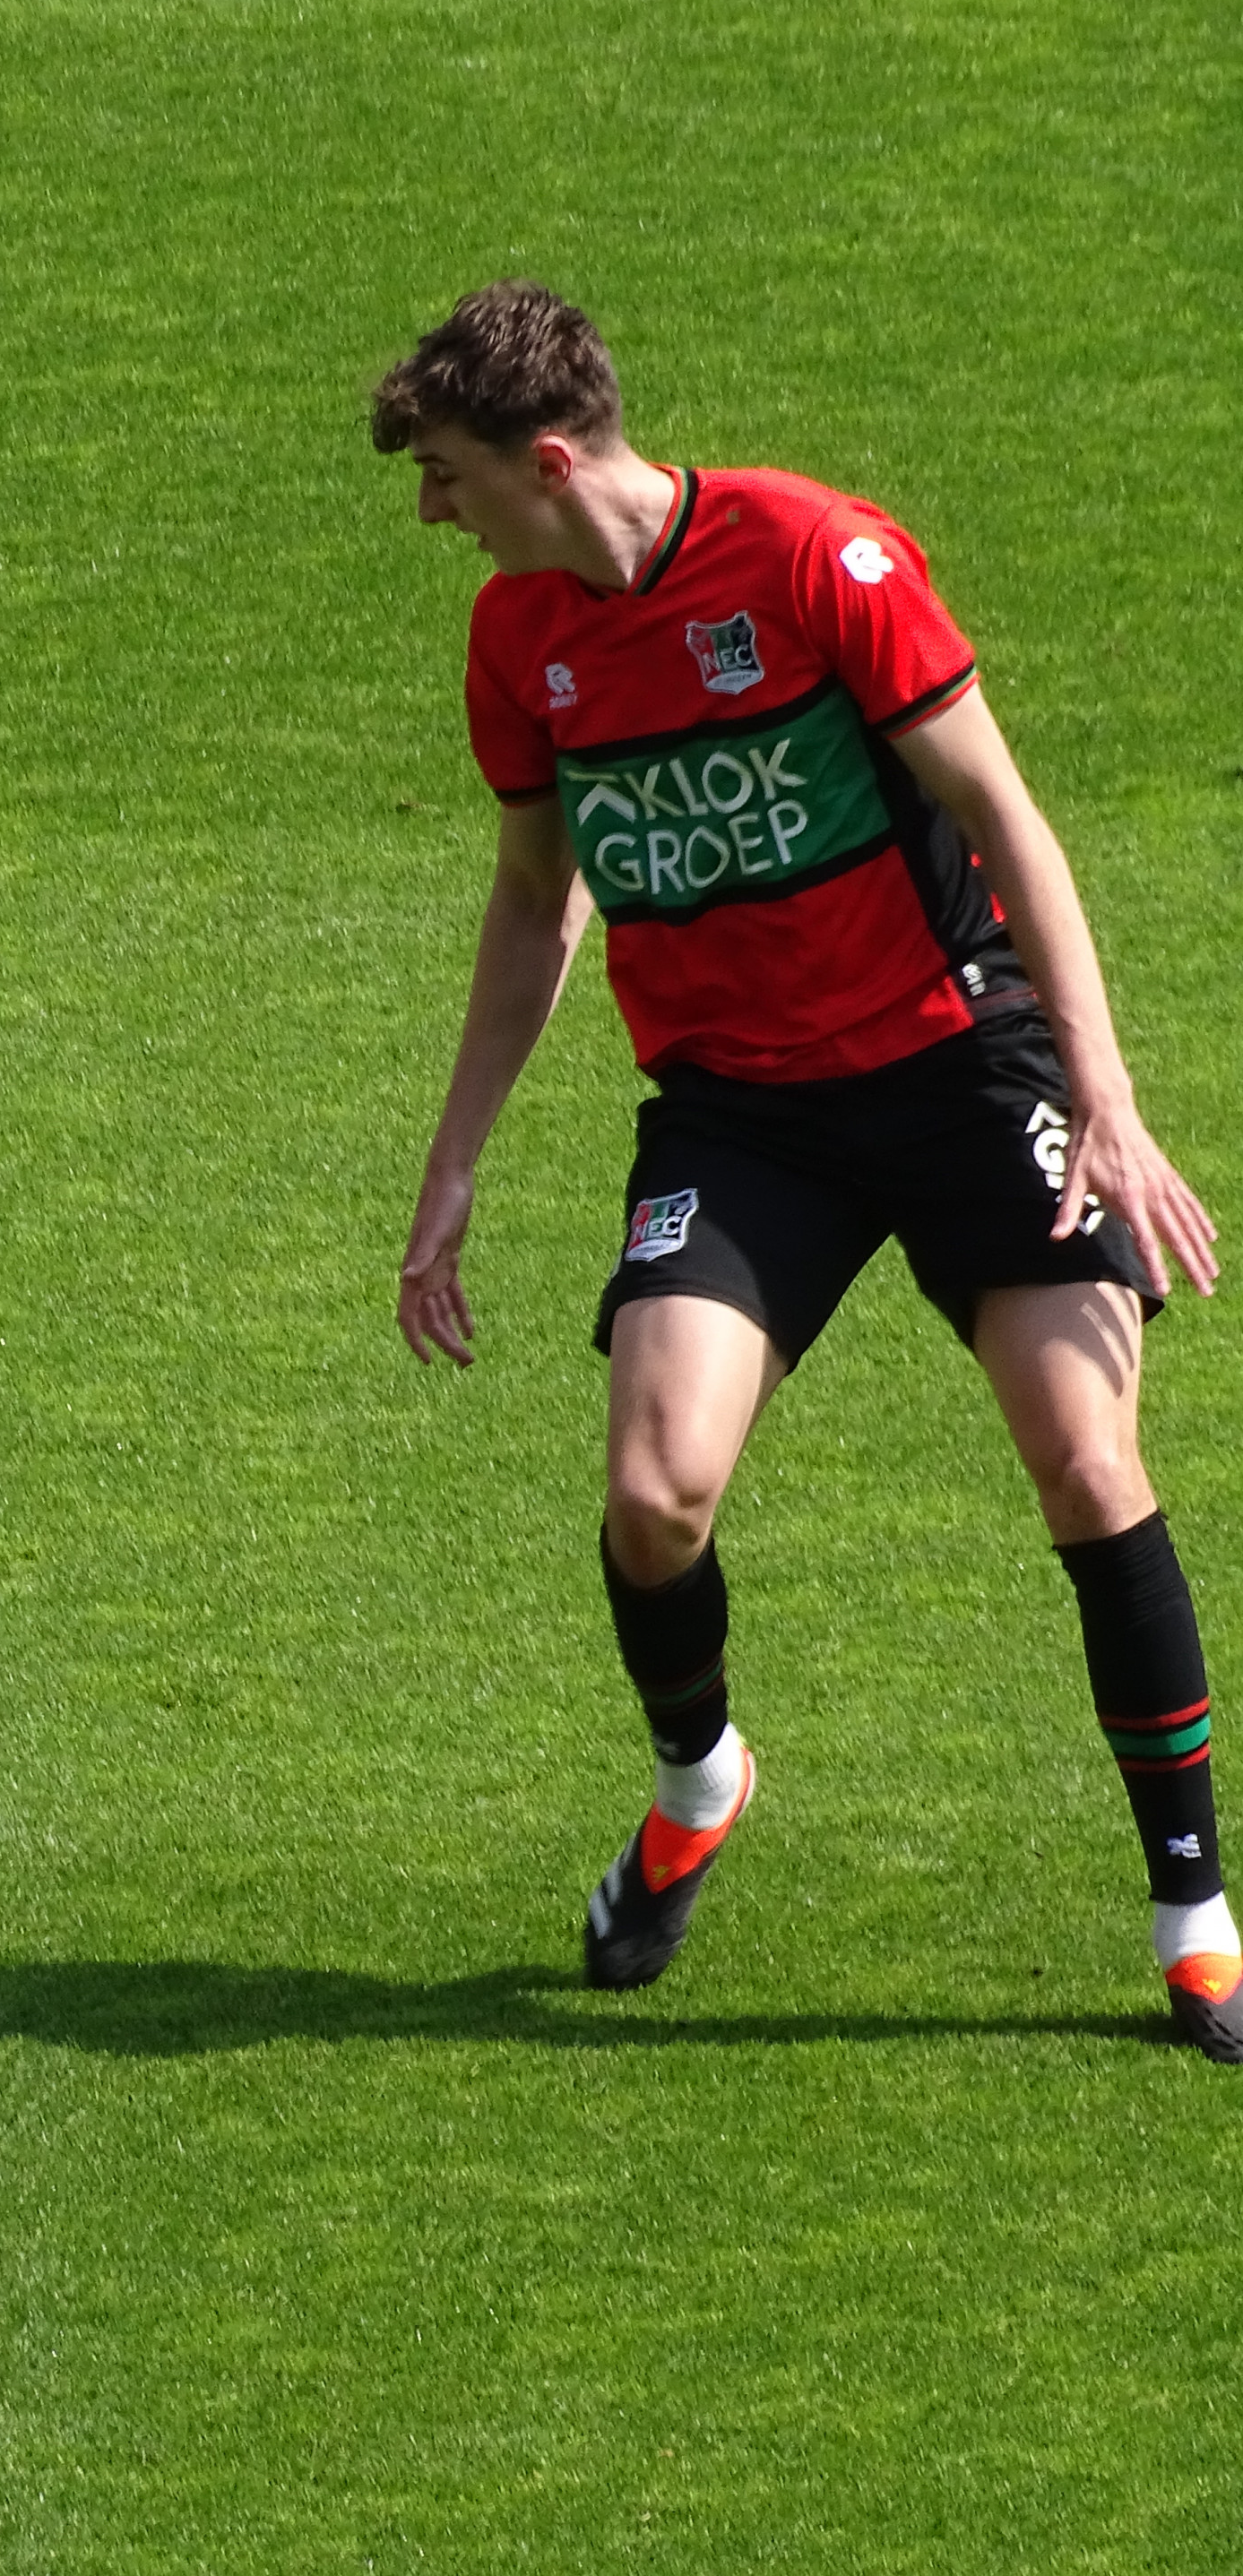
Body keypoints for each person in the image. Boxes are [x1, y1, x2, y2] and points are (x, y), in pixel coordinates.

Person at [373, 281, 1237, 2058]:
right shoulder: (521, 641)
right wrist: (454, 1163)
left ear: (550, 461)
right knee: (653, 1496)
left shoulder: (813, 560)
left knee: (1087, 1463)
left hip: (961, 1067)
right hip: (742, 1113)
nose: (434, 512)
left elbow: (1003, 818)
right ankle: (699, 1781)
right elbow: (538, 899)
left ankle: (1196, 1919)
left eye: (450, 474)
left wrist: (1106, 1095)